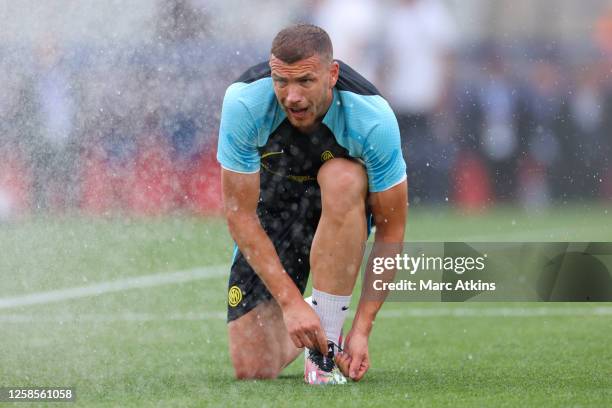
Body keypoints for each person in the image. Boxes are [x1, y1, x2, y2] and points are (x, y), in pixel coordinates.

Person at [217, 24, 407, 384]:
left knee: (342, 176)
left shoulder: (373, 117)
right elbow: (239, 214)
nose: (291, 97)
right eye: (281, 81)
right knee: (253, 368)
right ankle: (316, 307)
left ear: (332, 74)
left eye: (305, 81)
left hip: (340, 201)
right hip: (272, 207)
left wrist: (362, 329)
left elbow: (392, 229)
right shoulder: (243, 103)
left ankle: (326, 347)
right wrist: (292, 304)